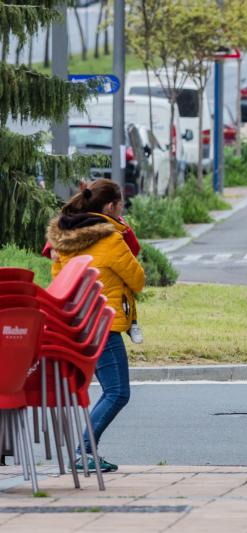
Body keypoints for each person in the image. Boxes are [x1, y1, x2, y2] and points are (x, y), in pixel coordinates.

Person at [46, 179, 145, 473]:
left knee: (109, 390)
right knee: (117, 392)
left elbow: (58, 281)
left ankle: (85, 451)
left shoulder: (66, 239)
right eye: (121, 205)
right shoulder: (112, 239)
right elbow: (138, 279)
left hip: (78, 323)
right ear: (111, 207)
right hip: (105, 322)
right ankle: (83, 451)